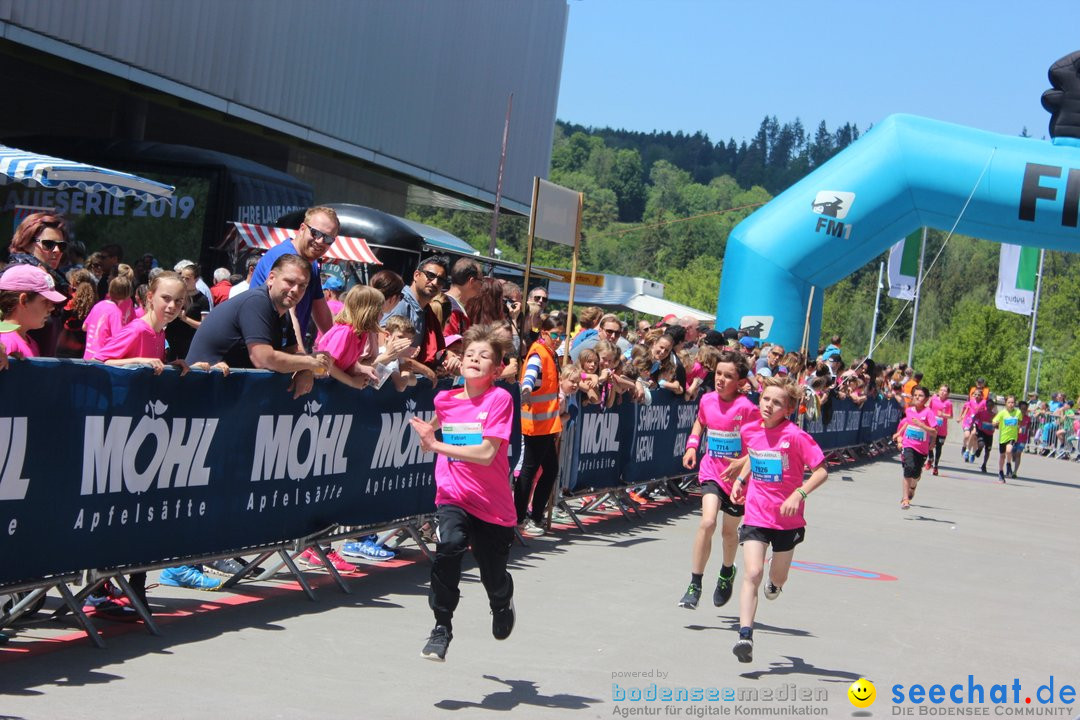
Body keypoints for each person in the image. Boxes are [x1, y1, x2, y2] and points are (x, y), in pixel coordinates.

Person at [408, 324, 517, 662]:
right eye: (470, 354)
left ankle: (501, 600)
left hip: (492, 505)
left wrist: (435, 443)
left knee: (492, 573)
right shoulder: (446, 399)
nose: (474, 359)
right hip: (453, 496)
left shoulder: (500, 399)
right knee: (449, 546)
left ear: (496, 369)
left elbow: (486, 454)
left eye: (484, 356)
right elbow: (441, 421)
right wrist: (430, 430)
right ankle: (441, 627)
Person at [727, 376, 827, 663]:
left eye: (777, 402)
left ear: (788, 408)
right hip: (756, 513)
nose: (769, 406)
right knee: (752, 573)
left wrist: (799, 494)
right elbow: (755, 455)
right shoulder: (750, 430)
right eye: (766, 399)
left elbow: (821, 471)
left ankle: (777, 584)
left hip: (787, 520)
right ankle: (745, 634)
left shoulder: (796, 436)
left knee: (774, 578)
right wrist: (742, 480)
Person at [679, 350, 760, 611]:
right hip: (712, 470)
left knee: (728, 532)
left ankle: (727, 571)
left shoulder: (747, 408)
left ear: (740, 382)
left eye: (729, 376)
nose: (721, 380)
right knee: (708, 521)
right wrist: (692, 447)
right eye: (719, 374)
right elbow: (699, 424)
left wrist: (741, 466)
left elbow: (758, 445)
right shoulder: (707, 399)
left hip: (738, 479)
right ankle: (695, 583)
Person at [250, 206, 340, 339]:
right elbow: (288, 313)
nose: (320, 241)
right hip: (263, 346)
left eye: (328, 239)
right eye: (316, 233)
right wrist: (300, 356)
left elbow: (322, 314)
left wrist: (341, 345)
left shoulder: (311, 264)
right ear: (302, 228)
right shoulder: (285, 257)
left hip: (283, 348)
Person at [515, 316, 564, 537]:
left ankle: (533, 515)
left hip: (547, 424)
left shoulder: (550, 354)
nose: (559, 339)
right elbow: (530, 376)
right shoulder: (538, 353)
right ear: (544, 333)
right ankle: (520, 518)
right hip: (535, 423)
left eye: (562, 335)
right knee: (529, 470)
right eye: (555, 335)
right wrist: (525, 389)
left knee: (550, 469)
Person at [5, 212, 71, 355]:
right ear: (26, 243)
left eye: (62, 245)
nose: (57, 250)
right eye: (48, 244)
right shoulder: (15, 277)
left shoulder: (55, 278)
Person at [382, 256, 454, 375]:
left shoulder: (426, 311)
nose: (435, 282)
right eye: (430, 275)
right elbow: (383, 345)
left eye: (441, 280)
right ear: (416, 275)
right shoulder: (400, 302)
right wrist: (425, 370)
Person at [0, 265, 67, 357]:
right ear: (23, 301)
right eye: (45, 301)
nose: (52, 307)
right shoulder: (6, 344)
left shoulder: (30, 341)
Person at [893, 386, 937, 509]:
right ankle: (905, 499)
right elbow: (907, 422)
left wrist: (922, 425)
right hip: (908, 445)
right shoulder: (909, 410)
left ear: (927, 399)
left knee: (916, 473)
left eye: (921, 395)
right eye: (915, 395)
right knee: (908, 468)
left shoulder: (928, 412)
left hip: (922, 448)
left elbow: (934, 431)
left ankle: (913, 486)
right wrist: (899, 433)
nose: (917, 397)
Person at [82, 273, 133, 360]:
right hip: (101, 360)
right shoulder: (116, 312)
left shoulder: (98, 305)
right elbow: (118, 338)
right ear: (127, 295)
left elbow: (84, 327)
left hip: (87, 357)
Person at [434, 257, 482, 337]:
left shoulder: (447, 303)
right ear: (472, 281)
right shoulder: (450, 309)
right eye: (481, 281)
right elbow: (449, 346)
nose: (481, 285)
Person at [992, 395, 1022, 483]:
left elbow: (1019, 422)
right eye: (1009, 402)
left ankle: (1008, 465)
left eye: (1012, 402)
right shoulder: (1002, 413)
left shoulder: (1018, 412)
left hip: (1012, 437)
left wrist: (1019, 428)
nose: (1011, 404)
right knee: (1002, 456)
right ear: (1006, 403)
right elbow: (994, 422)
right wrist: (995, 423)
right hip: (1003, 437)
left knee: (1009, 450)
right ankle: (1001, 472)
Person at [927, 384, 953, 476]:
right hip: (932, 427)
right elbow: (928, 410)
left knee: (939, 447)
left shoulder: (948, 403)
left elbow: (950, 416)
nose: (942, 392)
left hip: (942, 430)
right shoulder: (933, 400)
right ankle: (930, 458)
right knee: (929, 444)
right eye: (941, 390)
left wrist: (942, 414)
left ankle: (936, 466)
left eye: (945, 391)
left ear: (948, 393)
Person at [972, 397, 997, 473]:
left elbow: (998, 425)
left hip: (990, 434)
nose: (989, 407)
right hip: (982, 432)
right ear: (986, 405)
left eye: (991, 406)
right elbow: (974, 418)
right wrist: (974, 426)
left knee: (988, 450)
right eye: (988, 405)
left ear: (993, 406)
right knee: (981, 444)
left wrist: (995, 424)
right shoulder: (982, 413)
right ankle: (979, 450)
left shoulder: (995, 415)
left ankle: (984, 464)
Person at [1013, 401, 1032, 478]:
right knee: (1013, 453)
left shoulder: (1028, 419)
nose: (1023, 410)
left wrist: (1030, 434)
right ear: (1019, 409)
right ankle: (1013, 457)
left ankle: (1015, 472)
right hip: (1014, 438)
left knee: (1018, 453)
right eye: (1022, 409)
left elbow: (1029, 428)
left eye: (1025, 409)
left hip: (1023, 439)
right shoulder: (1015, 417)